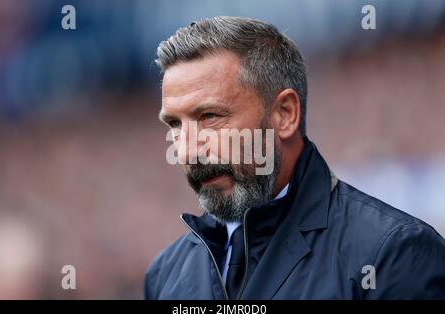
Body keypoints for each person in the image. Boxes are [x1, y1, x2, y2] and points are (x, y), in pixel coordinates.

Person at [144, 16, 445, 299]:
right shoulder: (164, 275)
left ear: (284, 114)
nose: (188, 151)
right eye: (175, 124)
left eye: (210, 116)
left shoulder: (393, 254)